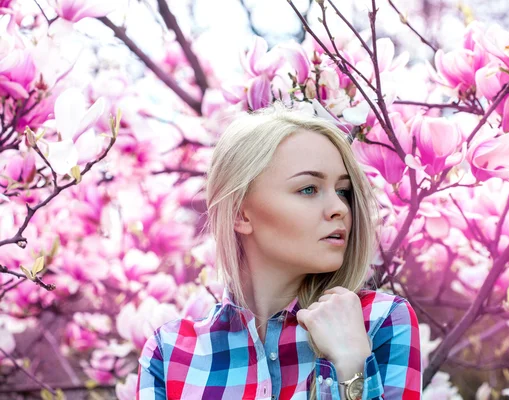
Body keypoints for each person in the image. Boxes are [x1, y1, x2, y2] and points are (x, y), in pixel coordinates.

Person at [136, 102, 422, 400]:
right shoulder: (170, 353)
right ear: (240, 214)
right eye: (308, 189)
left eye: (343, 191)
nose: (340, 208)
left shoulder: (380, 321)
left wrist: (350, 367)